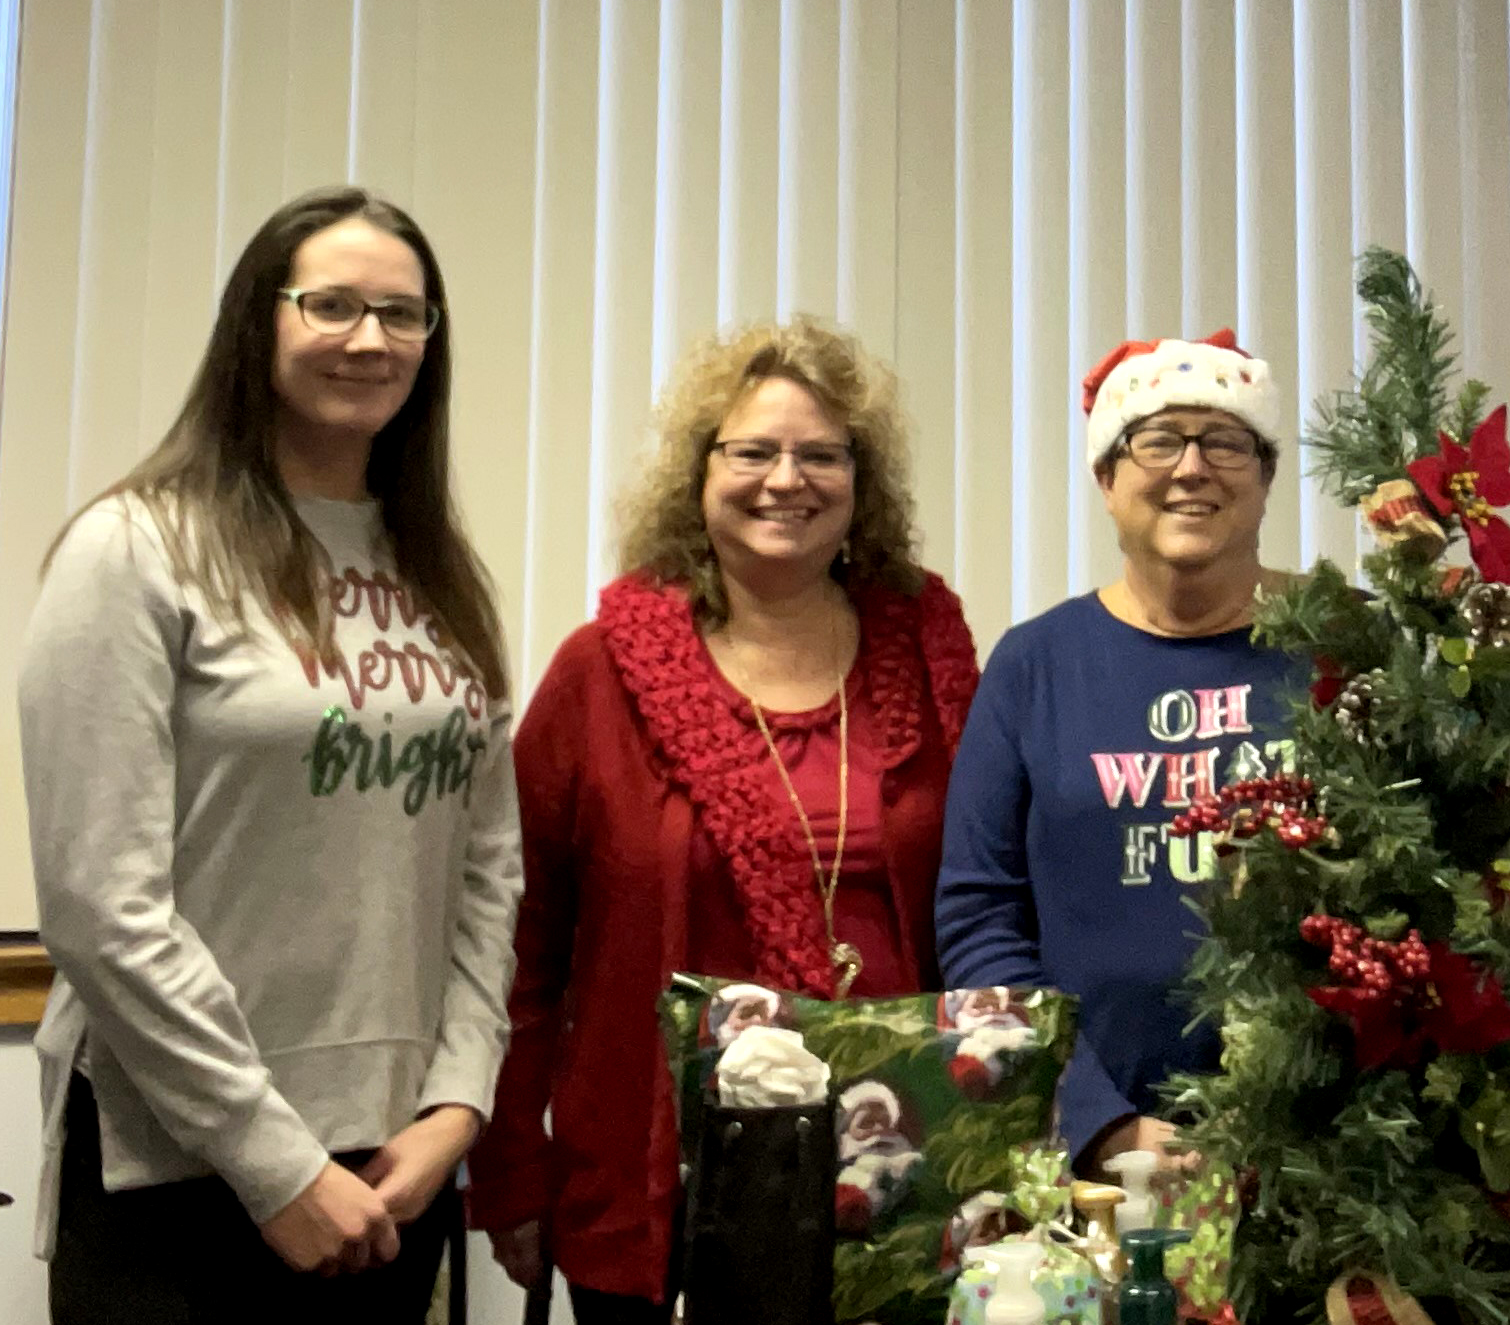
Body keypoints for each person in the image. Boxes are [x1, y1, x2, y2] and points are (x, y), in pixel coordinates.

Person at [18, 186, 519, 1320]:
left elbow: (489, 875)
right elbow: (102, 903)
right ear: (260, 321)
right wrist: (271, 1159)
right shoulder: (135, 548)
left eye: (401, 313)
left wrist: (458, 1103)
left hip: (397, 1162)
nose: (369, 338)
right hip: (185, 1167)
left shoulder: (435, 567)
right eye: (330, 304)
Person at [466, 318, 979, 1321]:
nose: (785, 478)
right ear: (697, 474)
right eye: (752, 451)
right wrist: (511, 1168)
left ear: (859, 482)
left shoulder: (931, 651)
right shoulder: (599, 673)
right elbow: (515, 948)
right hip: (658, 1184)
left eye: (820, 454)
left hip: (899, 1172)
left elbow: (991, 898)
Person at [936, 329, 1307, 1174]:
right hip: (1092, 1164)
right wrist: (1099, 1123)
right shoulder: (1034, 665)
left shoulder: (1342, 649)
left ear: (1266, 476)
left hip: (1320, 1159)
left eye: (1226, 442)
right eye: (1158, 440)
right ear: (1107, 478)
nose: (1192, 467)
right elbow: (979, 922)